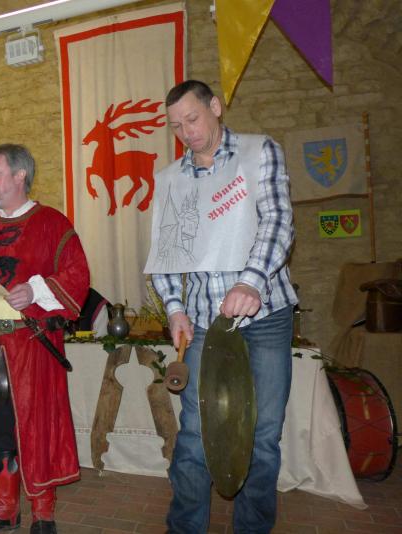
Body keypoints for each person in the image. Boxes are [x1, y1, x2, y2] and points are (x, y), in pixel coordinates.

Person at [144, 80, 298, 533]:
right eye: (176, 126)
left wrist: (251, 281)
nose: (186, 132)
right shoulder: (170, 180)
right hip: (204, 324)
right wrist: (175, 309)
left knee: (263, 436)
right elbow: (166, 254)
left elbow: (278, 220)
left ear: (215, 106)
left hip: (265, 317)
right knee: (195, 435)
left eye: (192, 119)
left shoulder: (259, 152)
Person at [0, 144, 90, 534]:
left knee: (37, 428)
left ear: (20, 175)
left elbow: (77, 277)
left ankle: (44, 514)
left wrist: (36, 290)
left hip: (32, 350)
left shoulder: (52, 224)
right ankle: (5, 509)